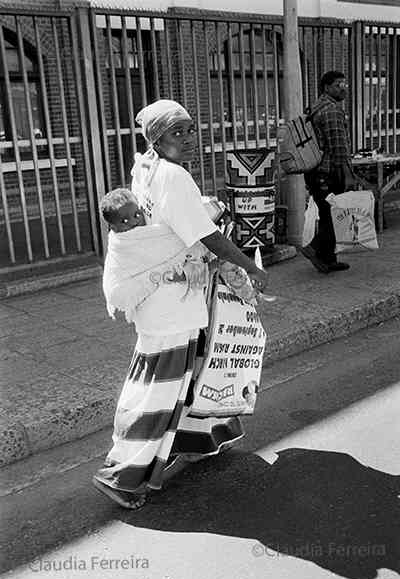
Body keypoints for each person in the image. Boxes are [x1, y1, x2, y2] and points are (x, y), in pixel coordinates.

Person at [92, 99, 271, 510]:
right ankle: (122, 476)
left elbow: (166, 225)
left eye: (190, 129)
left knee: (188, 375)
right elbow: (206, 237)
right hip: (172, 306)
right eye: (177, 132)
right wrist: (252, 269)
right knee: (156, 391)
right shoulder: (173, 176)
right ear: (157, 138)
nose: (188, 139)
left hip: (167, 298)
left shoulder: (145, 167)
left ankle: (197, 440)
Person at [301, 71, 358, 274]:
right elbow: (339, 147)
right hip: (329, 172)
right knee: (333, 214)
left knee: (328, 214)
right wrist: (349, 176)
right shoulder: (332, 110)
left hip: (316, 172)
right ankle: (315, 248)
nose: (343, 87)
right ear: (326, 87)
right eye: (338, 84)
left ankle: (328, 259)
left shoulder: (315, 107)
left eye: (345, 83)